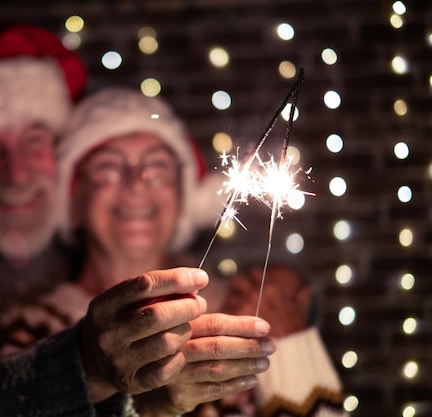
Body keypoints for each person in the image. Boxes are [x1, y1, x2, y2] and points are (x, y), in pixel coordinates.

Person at [0, 23, 275, 417]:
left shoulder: (237, 299)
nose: (18, 174)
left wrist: (279, 299)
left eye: (34, 141)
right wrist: (97, 374)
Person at [55, 86, 347, 416]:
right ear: (73, 199)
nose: (136, 182)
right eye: (107, 167)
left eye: (157, 166)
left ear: (184, 197)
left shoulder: (253, 311)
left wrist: (291, 348)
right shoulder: (29, 340)